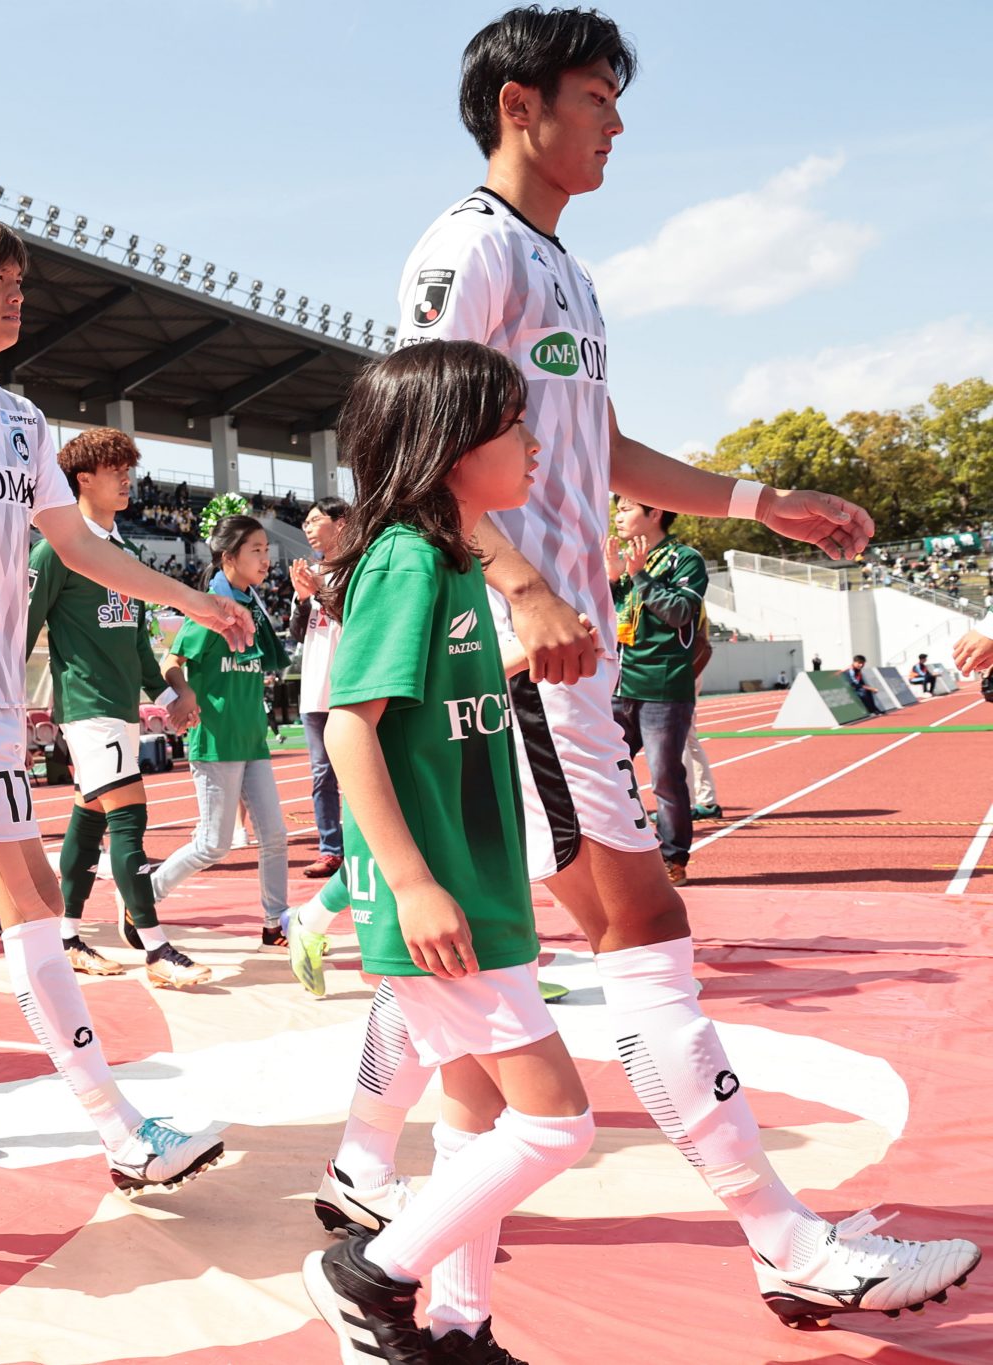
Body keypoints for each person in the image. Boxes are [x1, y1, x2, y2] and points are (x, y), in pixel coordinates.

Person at [347, 5, 979, 1325]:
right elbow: (416, 447)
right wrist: (520, 589)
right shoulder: (467, 252)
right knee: (637, 934)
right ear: (519, 105)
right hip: (522, 661)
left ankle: (419, 1275)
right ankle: (781, 1243)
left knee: (488, 993)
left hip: (569, 652)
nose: (617, 123)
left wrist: (761, 502)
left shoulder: (565, 272)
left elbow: (606, 447)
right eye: (596, 96)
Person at [0, 211, 252, 1186]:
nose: (15, 295)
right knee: (28, 900)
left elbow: (75, 546)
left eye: (18, 280)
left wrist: (192, 599)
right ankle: (121, 1131)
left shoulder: (25, 422)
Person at [301, 339, 593, 1365]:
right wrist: (414, 883)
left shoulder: (453, 559)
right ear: (452, 446)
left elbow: (440, 696)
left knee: (473, 1111)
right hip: (441, 898)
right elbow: (351, 727)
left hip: (475, 886)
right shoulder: (407, 560)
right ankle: (370, 1272)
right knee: (557, 1125)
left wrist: (533, 645)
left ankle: (460, 1327)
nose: (533, 444)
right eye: (512, 426)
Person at [22, 427, 201, 985]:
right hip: (86, 706)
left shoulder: (126, 556)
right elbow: (19, 634)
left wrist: (171, 695)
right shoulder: (54, 551)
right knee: (130, 816)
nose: (127, 479)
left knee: (89, 817)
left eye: (129, 469)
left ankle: (67, 938)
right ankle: (156, 948)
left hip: (121, 709)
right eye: (115, 470)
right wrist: (3, 711)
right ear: (82, 480)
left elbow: (139, 646)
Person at [150, 515, 293, 953]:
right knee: (213, 845)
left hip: (252, 741)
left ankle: (275, 923)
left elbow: (266, 661)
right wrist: (185, 693)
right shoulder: (210, 609)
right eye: (256, 550)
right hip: (216, 742)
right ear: (228, 558)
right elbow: (170, 662)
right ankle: (144, 897)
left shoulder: (253, 608)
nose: (266, 559)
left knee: (275, 836)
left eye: (267, 550)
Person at [607, 496, 708, 885]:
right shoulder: (622, 560)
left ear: (655, 513)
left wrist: (638, 577)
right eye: (617, 509)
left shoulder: (686, 559)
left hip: (664, 686)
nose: (618, 516)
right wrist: (612, 581)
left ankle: (673, 859)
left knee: (665, 778)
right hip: (618, 684)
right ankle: (623, 853)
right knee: (607, 772)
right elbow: (612, 616)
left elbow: (679, 613)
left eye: (626, 509)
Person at [288, 496, 352, 881]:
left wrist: (318, 592)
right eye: (305, 524)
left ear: (340, 522)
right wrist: (302, 599)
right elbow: (299, 633)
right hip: (314, 691)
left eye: (314, 520)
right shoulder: (309, 573)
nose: (308, 529)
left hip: (351, 689)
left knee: (363, 772)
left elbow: (354, 618)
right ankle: (331, 850)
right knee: (322, 776)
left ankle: (369, 848)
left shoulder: (358, 567)